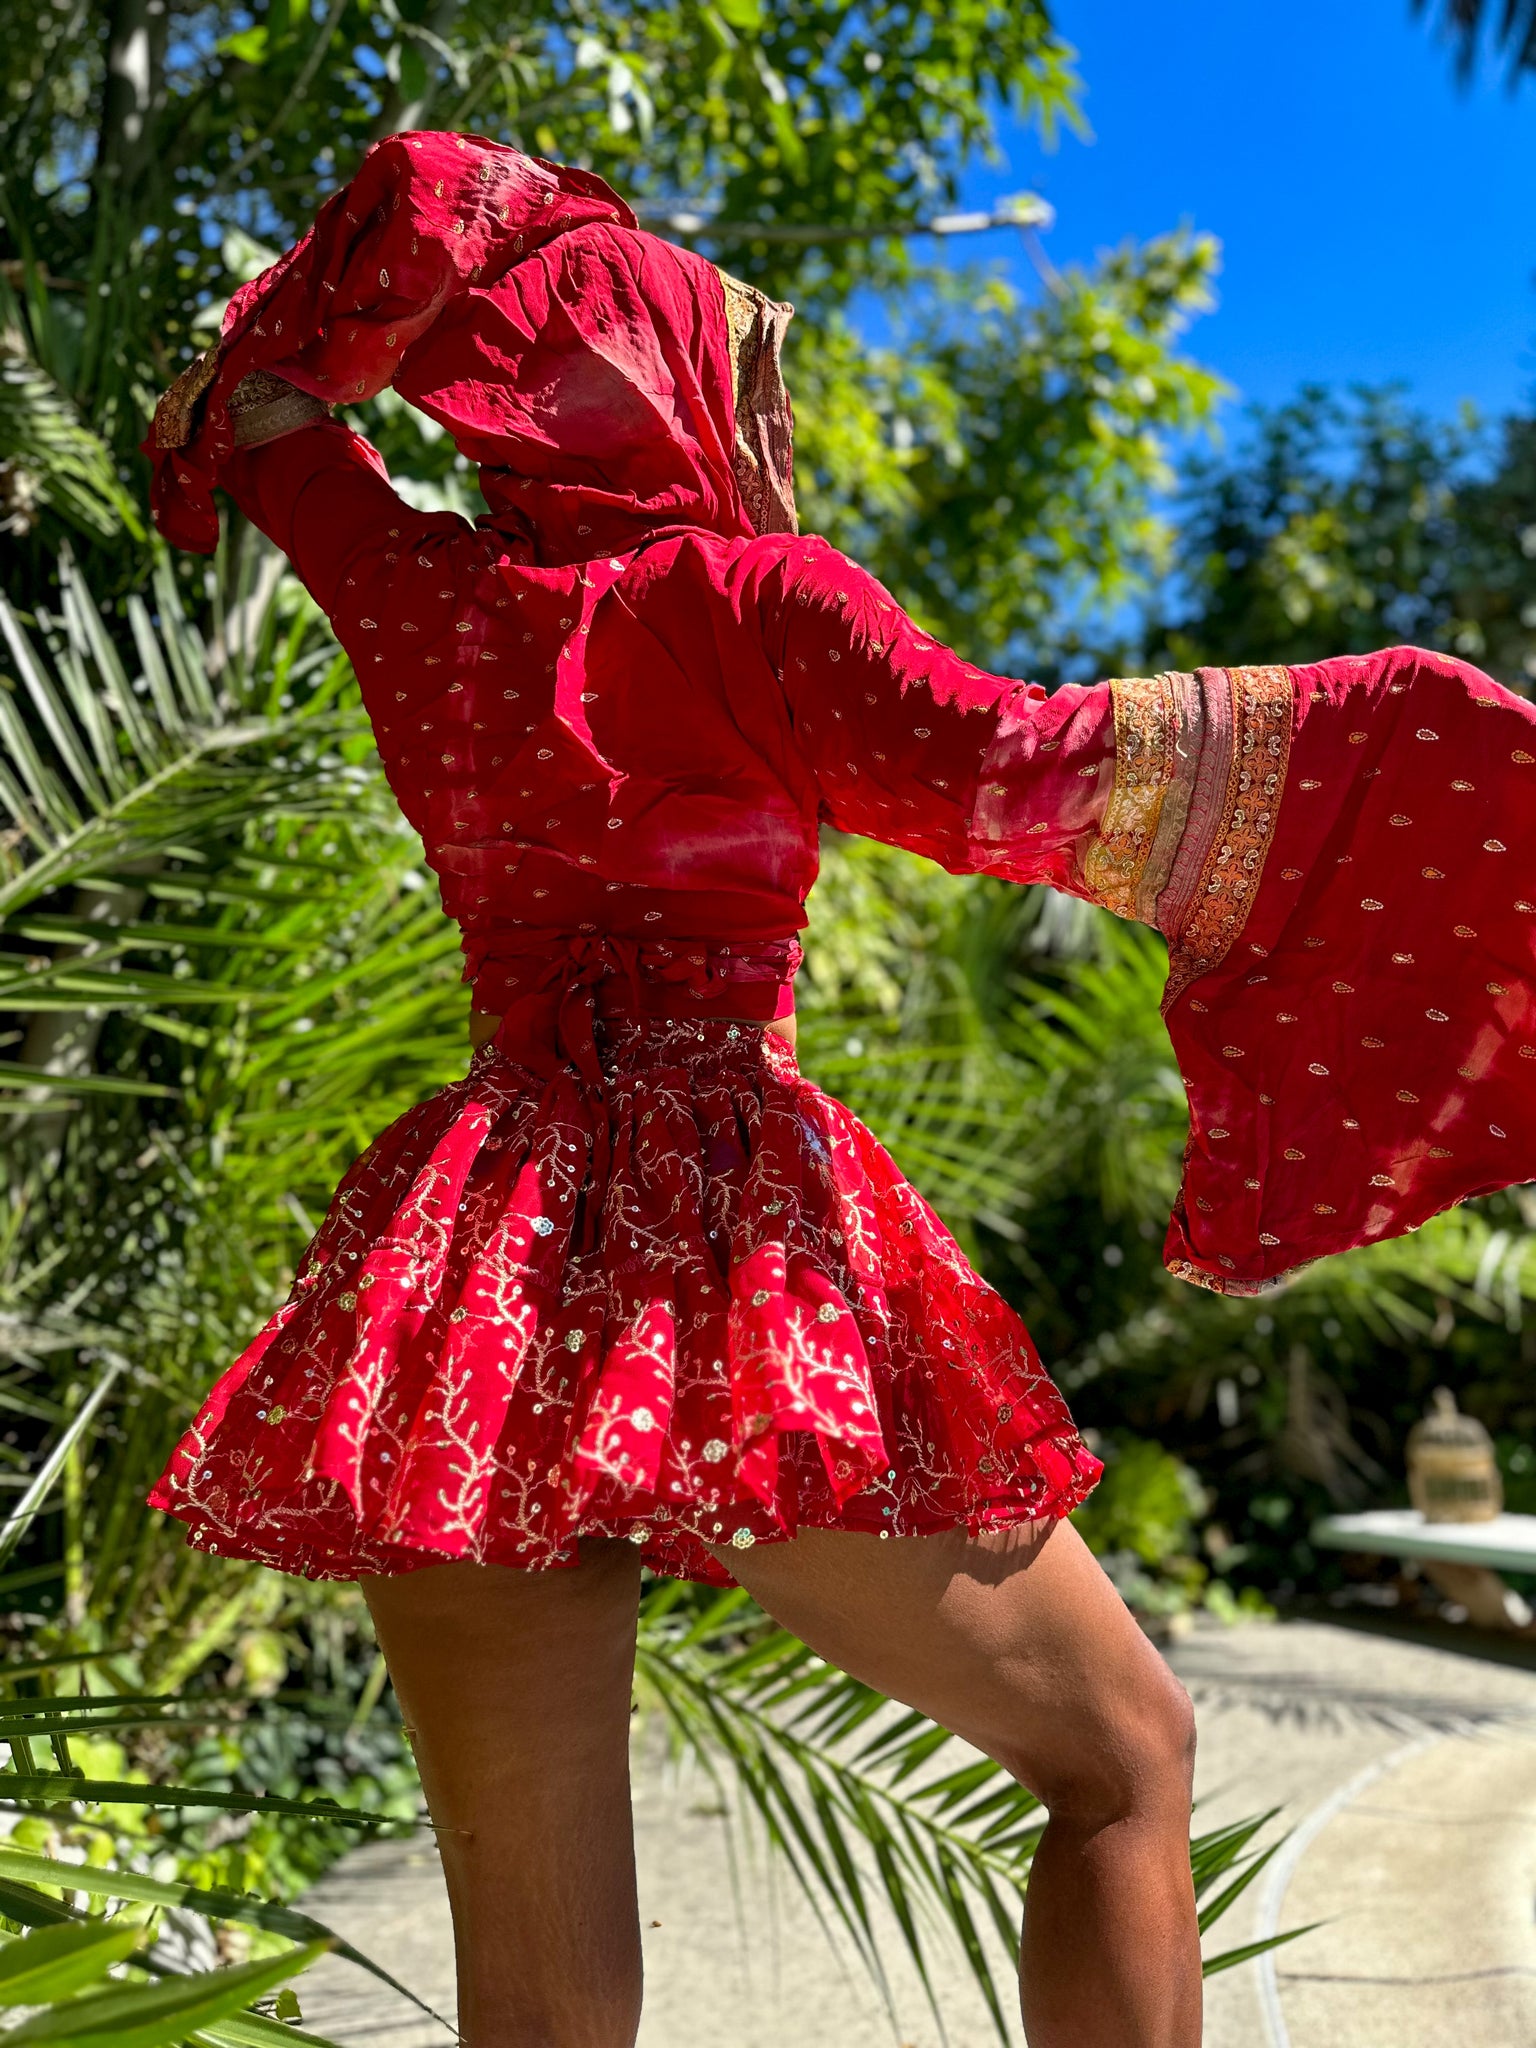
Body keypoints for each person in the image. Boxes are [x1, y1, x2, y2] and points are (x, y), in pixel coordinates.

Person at [143, 131, 1536, 2048]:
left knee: (542, 2002)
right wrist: (1408, 734)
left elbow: (268, 405)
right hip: (720, 1245)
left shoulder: (420, 595)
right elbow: (1026, 771)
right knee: (1125, 1756)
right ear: (655, 376)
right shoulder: (751, 602)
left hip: (472, 1266)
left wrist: (388, 281)